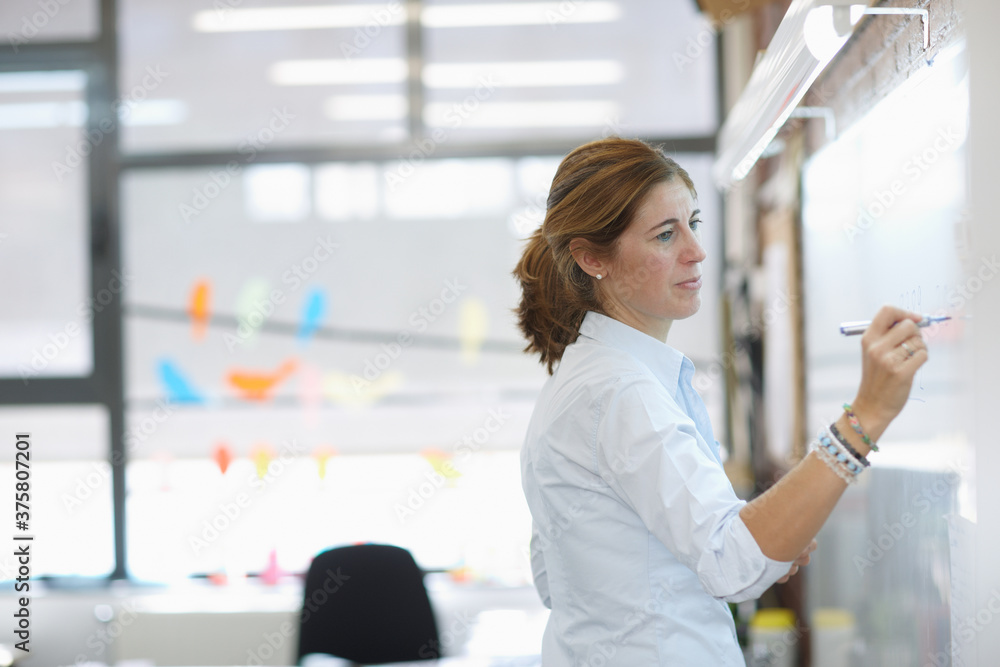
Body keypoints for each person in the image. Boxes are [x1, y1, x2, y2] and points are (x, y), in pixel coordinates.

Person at [512, 137, 928, 665]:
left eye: (693, 223)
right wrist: (866, 416)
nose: (696, 250)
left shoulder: (588, 378)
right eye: (665, 235)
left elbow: (557, 576)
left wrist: (764, 538)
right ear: (592, 257)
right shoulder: (621, 392)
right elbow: (733, 564)